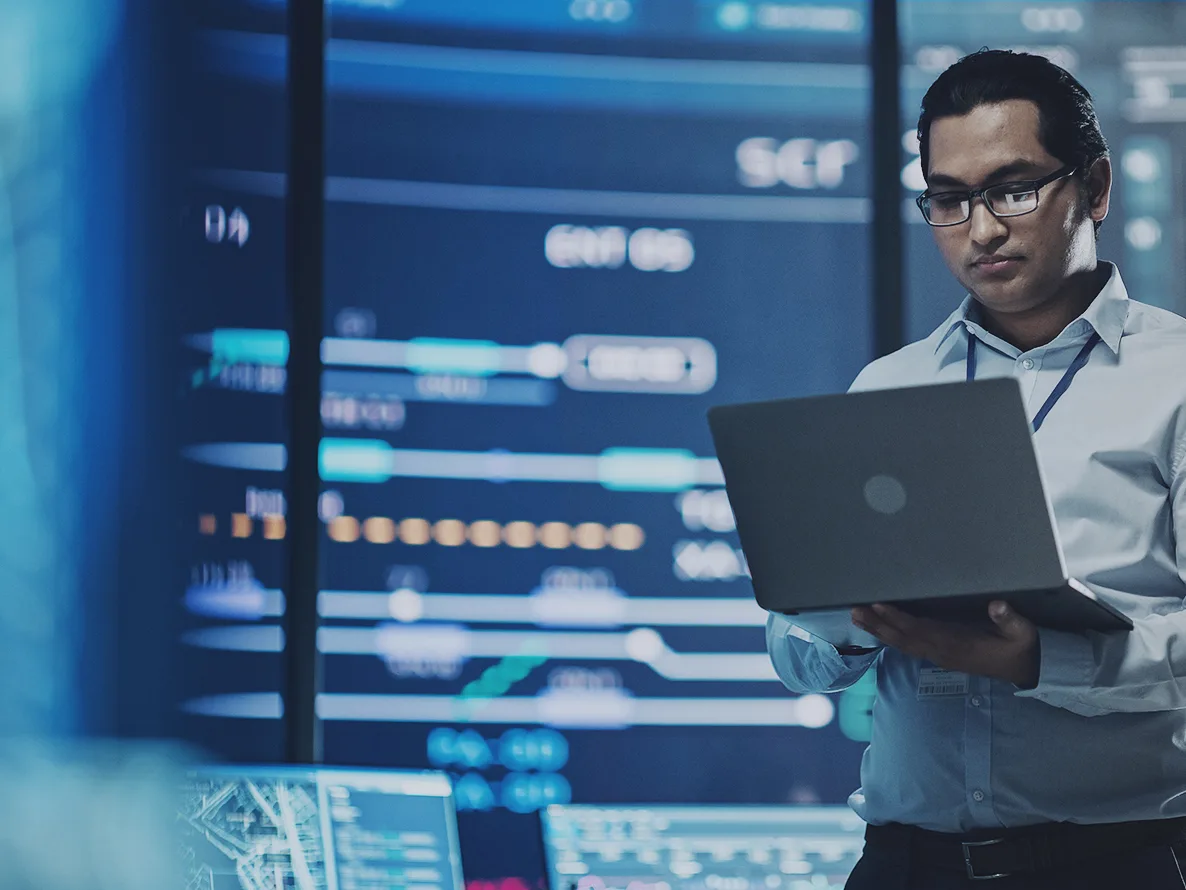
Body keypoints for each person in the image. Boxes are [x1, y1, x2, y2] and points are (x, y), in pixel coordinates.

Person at [765, 49, 1186, 889]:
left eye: (1014, 189)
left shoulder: (1175, 376)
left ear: (1095, 188)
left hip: (1118, 863)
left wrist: (1040, 659)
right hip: (902, 863)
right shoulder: (888, 387)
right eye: (949, 200)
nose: (982, 230)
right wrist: (843, 620)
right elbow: (795, 654)